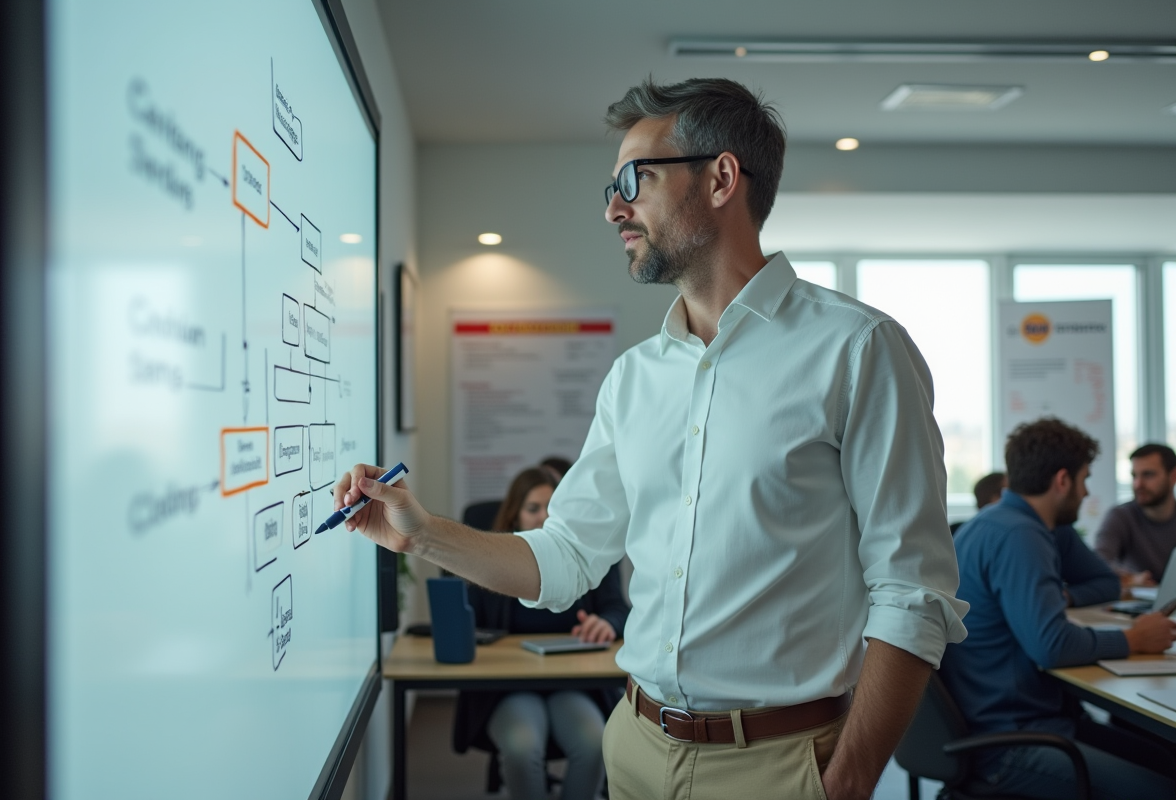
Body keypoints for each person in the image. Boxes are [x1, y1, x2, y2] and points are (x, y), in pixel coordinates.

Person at [335, 77, 967, 800]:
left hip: (779, 763)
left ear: (722, 177)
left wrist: (851, 778)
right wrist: (422, 536)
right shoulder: (634, 377)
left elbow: (912, 591)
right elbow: (566, 558)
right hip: (634, 746)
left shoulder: (859, 349)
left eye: (634, 179)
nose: (613, 208)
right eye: (610, 187)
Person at [939, 418, 1176, 800]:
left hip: (1017, 720)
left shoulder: (994, 523)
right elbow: (1052, 645)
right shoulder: (1020, 535)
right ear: (1062, 481)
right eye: (1084, 480)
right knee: (1163, 790)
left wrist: (1066, 599)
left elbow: (1103, 583)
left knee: (1163, 760)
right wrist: (1134, 638)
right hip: (1011, 742)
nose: (1086, 493)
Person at [453, 467, 628, 800]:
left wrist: (607, 623)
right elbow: (467, 619)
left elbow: (619, 609)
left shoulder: (589, 553)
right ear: (515, 515)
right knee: (522, 746)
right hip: (508, 686)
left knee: (593, 743)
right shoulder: (493, 559)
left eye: (552, 507)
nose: (543, 516)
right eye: (533, 508)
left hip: (573, 683)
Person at [1094, 443, 1176, 588]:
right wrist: (1129, 579)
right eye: (1134, 476)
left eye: (1148, 475)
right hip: (1137, 602)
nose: (1138, 484)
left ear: (1173, 476)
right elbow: (1097, 563)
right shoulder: (1121, 516)